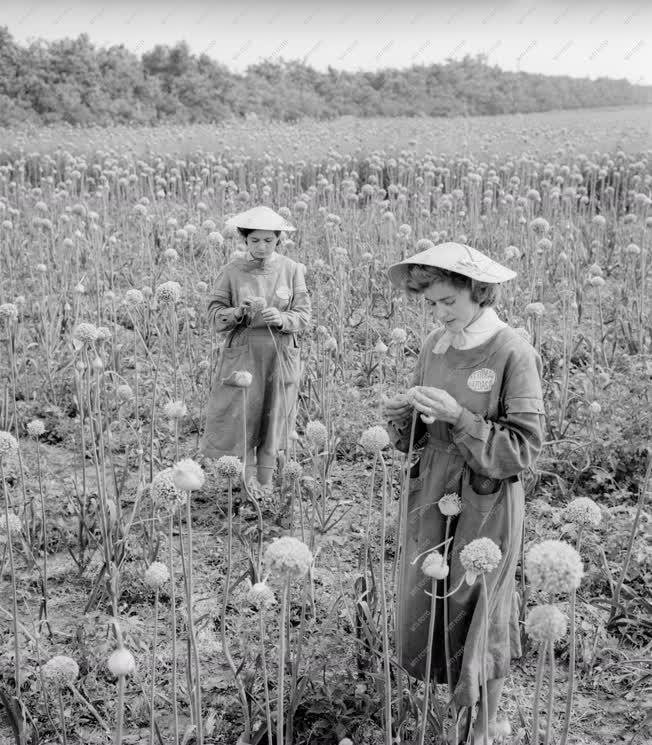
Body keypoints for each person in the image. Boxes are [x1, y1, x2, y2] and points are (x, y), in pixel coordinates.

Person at [382, 241, 545, 744]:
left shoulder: (512, 350)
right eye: (430, 303)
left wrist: (461, 418)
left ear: (478, 290)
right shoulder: (435, 343)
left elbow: (524, 448)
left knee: (481, 605)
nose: (439, 313)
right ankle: (452, 711)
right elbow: (416, 435)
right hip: (432, 488)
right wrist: (401, 417)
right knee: (436, 597)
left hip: (485, 497)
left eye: (448, 301)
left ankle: (484, 725)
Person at [200, 206, 311, 495]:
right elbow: (214, 315)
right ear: (244, 240)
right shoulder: (232, 271)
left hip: (280, 354)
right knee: (245, 419)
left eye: (268, 241)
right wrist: (238, 312)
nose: (261, 247)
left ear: (279, 240)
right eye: (254, 241)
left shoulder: (292, 269)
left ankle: (267, 487)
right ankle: (249, 487)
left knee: (275, 420)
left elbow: (304, 315)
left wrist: (283, 319)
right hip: (245, 356)